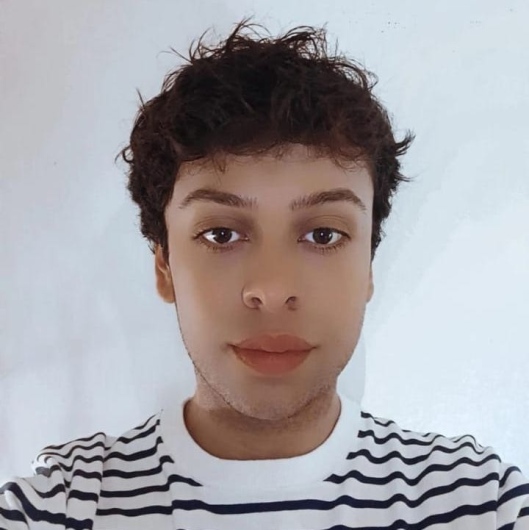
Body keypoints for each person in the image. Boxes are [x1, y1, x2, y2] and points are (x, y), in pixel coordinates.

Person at [1, 18, 528, 530]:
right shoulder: (57, 510)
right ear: (164, 265)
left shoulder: (483, 506)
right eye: (221, 234)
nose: (272, 292)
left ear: (369, 264)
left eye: (323, 235)